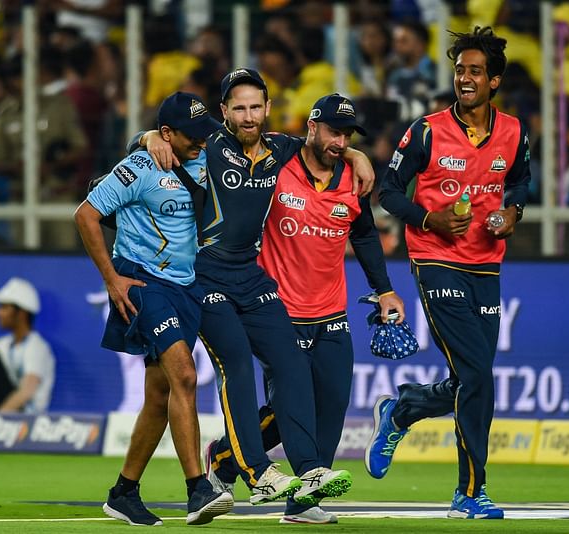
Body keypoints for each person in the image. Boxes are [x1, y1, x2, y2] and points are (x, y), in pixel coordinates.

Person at [136, 69, 375, 508]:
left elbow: (325, 145)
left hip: (250, 275)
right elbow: (167, 136)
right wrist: (147, 136)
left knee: (292, 366)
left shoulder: (282, 149)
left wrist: (357, 154)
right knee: (238, 368)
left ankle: (308, 470)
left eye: (256, 107)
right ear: (224, 112)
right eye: (239, 108)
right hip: (204, 274)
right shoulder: (209, 144)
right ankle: (255, 473)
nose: (248, 116)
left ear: (268, 108)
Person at [201, 94, 406, 524]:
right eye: (334, 131)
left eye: (347, 135)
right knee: (294, 406)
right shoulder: (279, 162)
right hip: (277, 308)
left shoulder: (352, 176)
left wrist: (384, 290)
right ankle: (248, 462)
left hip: (331, 311)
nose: (340, 141)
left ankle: (297, 498)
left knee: (331, 405)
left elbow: (365, 235)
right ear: (311, 127)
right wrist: (148, 137)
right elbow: (231, 139)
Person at [369, 26, 531, 520]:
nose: (465, 78)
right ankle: (470, 492)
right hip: (435, 257)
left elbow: (520, 180)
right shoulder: (426, 130)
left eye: (475, 71)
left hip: (486, 263)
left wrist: (513, 213)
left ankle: (404, 408)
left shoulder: (516, 132)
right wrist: (428, 218)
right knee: (478, 373)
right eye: (460, 70)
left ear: (494, 81)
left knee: (473, 376)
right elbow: (388, 191)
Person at [74, 91, 233, 526]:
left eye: (206, 133)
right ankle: (198, 489)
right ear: (167, 133)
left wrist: (352, 152)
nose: (203, 141)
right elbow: (86, 216)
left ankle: (123, 492)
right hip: (143, 281)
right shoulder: (139, 167)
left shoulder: (203, 154)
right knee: (184, 374)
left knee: (161, 394)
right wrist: (112, 279)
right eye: (193, 135)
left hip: (185, 285)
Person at [0, 277, 55, 413]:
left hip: (25, 420)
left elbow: (27, 391)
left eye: (4, 307)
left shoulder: (37, 347)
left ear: (21, 313)